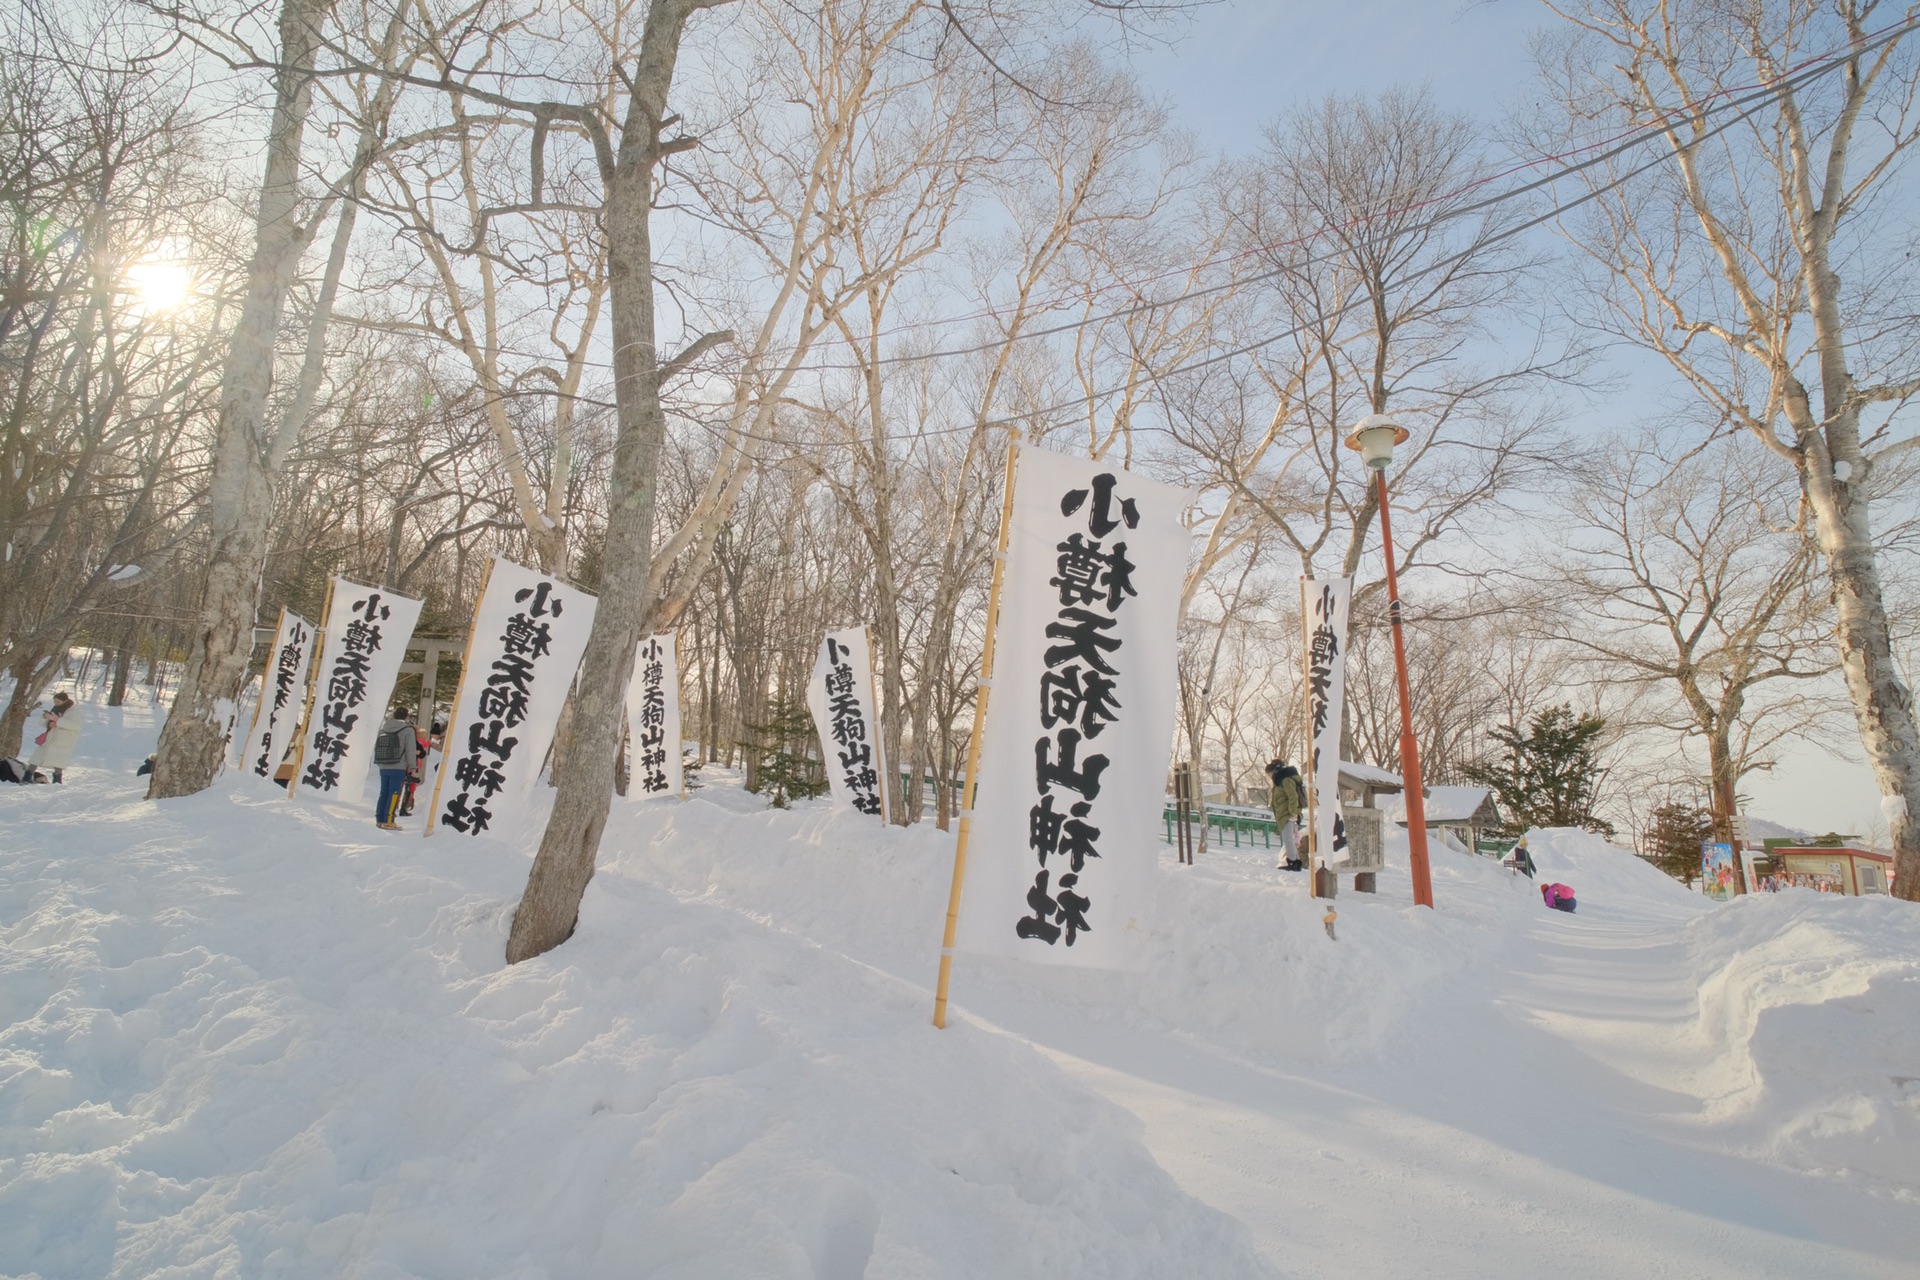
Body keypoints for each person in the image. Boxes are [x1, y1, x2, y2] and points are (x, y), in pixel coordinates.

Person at [371, 705, 414, 830]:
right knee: (394, 793)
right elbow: (410, 750)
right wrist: (412, 766)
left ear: (394, 716)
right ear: (406, 717)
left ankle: (380, 819)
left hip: (384, 765)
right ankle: (389, 820)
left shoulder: (383, 729)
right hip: (398, 765)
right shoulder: (407, 730)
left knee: (384, 792)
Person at [28, 691, 80, 783]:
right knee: (35, 758)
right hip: (50, 737)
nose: (56, 704)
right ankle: (27, 777)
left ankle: (57, 781)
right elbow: (43, 724)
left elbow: (75, 725)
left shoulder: (74, 711)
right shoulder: (55, 708)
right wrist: (46, 719)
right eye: (54, 701)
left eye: (58, 702)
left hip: (63, 740)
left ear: (65, 701)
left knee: (58, 762)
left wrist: (57, 720)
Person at [1265, 757, 1306, 872]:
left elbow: (1293, 796)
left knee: (1287, 838)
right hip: (1285, 814)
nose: (1270, 777)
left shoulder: (1285, 780)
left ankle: (1293, 861)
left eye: (1270, 774)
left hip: (1288, 814)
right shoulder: (1281, 780)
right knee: (1289, 838)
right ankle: (1295, 860)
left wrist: (1293, 812)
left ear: (1274, 771)